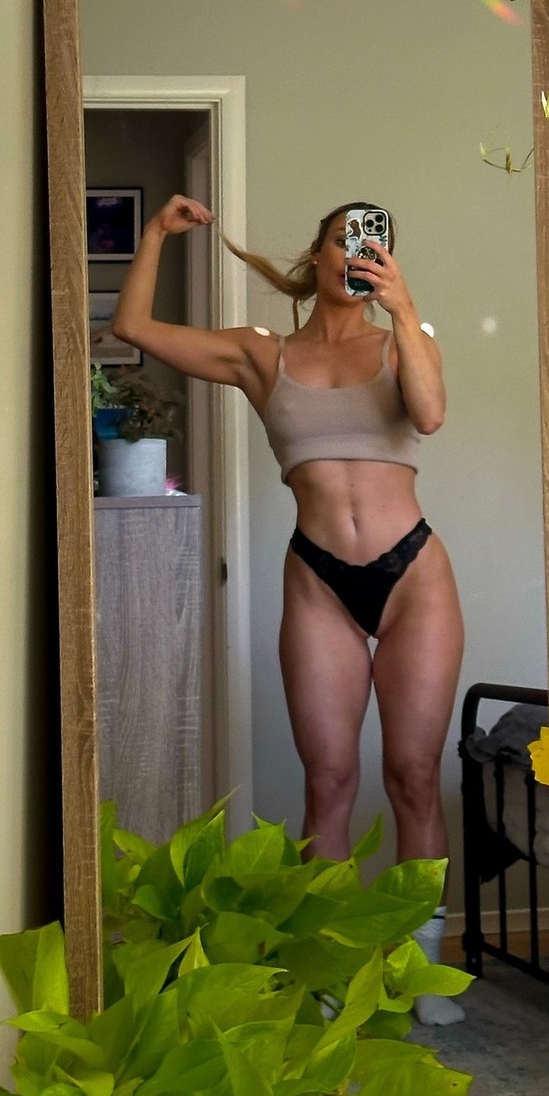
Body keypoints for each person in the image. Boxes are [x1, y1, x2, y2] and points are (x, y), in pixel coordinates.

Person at [113, 195, 466, 1024]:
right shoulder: (261, 354)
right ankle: (328, 966)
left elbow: (430, 414)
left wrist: (403, 308)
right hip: (318, 580)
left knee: (413, 775)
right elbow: (133, 327)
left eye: (374, 244)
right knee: (328, 780)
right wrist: (156, 234)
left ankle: (418, 969)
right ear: (318, 251)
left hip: (414, 576)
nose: (358, 254)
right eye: (345, 239)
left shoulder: (405, 340)